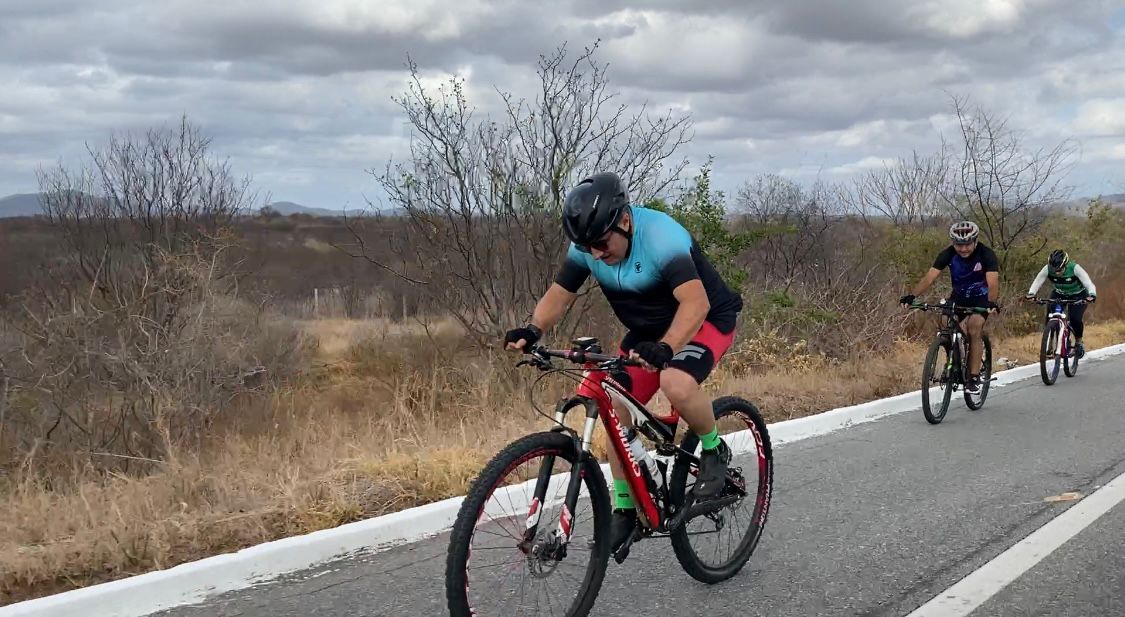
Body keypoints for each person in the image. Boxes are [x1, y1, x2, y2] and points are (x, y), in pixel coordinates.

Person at [503, 171, 744, 556]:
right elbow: (560, 293)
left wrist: (667, 348)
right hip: (648, 332)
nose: (595, 253)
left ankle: (714, 450)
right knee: (614, 405)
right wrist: (534, 329)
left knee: (676, 382)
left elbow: (695, 305)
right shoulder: (590, 244)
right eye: (587, 246)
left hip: (705, 319)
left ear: (625, 221)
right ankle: (626, 508)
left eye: (601, 243)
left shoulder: (662, 238)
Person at [899, 221, 1000, 394]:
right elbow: (929, 278)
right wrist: (912, 296)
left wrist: (991, 302)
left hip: (981, 300)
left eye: (967, 244)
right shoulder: (948, 254)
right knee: (945, 321)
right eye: (959, 245)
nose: (963, 249)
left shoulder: (986, 254)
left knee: (974, 328)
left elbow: (993, 283)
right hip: (958, 298)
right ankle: (953, 360)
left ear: (975, 241)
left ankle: (974, 377)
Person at [1023, 249, 1097, 358]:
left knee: (1075, 318)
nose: (1057, 272)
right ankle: (1050, 343)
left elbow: (1088, 283)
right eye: (1054, 270)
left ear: (1065, 264)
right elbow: (1038, 281)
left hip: (1078, 295)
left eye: (1060, 270)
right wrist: (1031, 294)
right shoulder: (1047, 269)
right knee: (1050, 314)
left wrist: (1092, 295)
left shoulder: (1075, 268)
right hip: (1059, 294)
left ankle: (1078, 342)